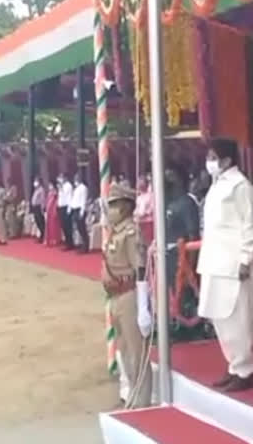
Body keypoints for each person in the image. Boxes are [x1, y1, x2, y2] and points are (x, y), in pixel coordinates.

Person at [197, 138, 253, 392]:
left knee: (237, 317)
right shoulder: (217, 185)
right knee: (219, 316)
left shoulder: (241, 186)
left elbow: (251, 225)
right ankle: (233, 365)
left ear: (226, 159)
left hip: (234, 261)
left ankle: (246, 370)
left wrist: (246, 258)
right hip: (214, 260)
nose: (209, 162)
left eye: (213, 157)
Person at [102, 183, 153, 408]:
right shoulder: (116, 231)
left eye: (114, 205)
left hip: (130, 296)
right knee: (124, 351)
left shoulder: (131, 232)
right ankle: (133, 394)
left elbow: (140, 267)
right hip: (115, 296)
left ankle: (142, 401)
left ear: (125, 207)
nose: (110, 210)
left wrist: (143, 305)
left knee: (136, 353)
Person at [165, 163, 200, 286]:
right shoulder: (168, 202)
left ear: (180, 180)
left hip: (182, 261)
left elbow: (193, 236)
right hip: (168, 260)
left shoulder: (187, 203)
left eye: (170, 176)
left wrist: (190, 266)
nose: (166, 180)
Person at [70, 173, 89, 253]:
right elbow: (74, 199)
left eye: (77, 178)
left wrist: (82, 211)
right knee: (78, 228)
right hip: (75, 209)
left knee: (82, 228)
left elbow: (83, 200)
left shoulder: (83, 188)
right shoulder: (76, 188)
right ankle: (81, 244)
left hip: (80, 210)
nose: (75, 179)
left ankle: (85, 246)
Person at [134, 174, 154, 245]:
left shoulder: (151, 196)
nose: (139, 184)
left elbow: (152, 209)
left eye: (141, 182)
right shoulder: (139, 198)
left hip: (148, 222)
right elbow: (137, 209)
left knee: (149, 242)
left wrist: (144, 213)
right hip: (140, 223)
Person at [58, 174, 74, 249]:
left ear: (65, 178)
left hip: (66, 207)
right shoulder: (62, 186)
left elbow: (68, 198)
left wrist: (68, 210)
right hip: (61, 207)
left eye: (61, 177)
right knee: (64, 226)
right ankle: (67, 242)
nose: (60, 179)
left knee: (68, 227)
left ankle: (70, 243)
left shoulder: (68, 186)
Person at [44, 181, 61, 247]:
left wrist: (54, 210)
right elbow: (47, 201)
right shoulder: (50, 192)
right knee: (48, 226)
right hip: (48, 210)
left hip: (53, 210)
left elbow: (55, 202)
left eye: (50, 185)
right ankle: (48, 239)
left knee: (53, 226)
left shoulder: (55, 193)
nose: (49, 186)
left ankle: (55, 240)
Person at [30, 177, 46, 243]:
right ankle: (41, 235)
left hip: (39, 207)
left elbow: (42, 200)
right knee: (37, 222)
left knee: (41, 222)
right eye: (35, 181)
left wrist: (42, 208)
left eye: (36, 181)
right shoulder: (36, 189)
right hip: (35, 207)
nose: (35, 182)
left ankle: (43, 236)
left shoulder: (41, 190)